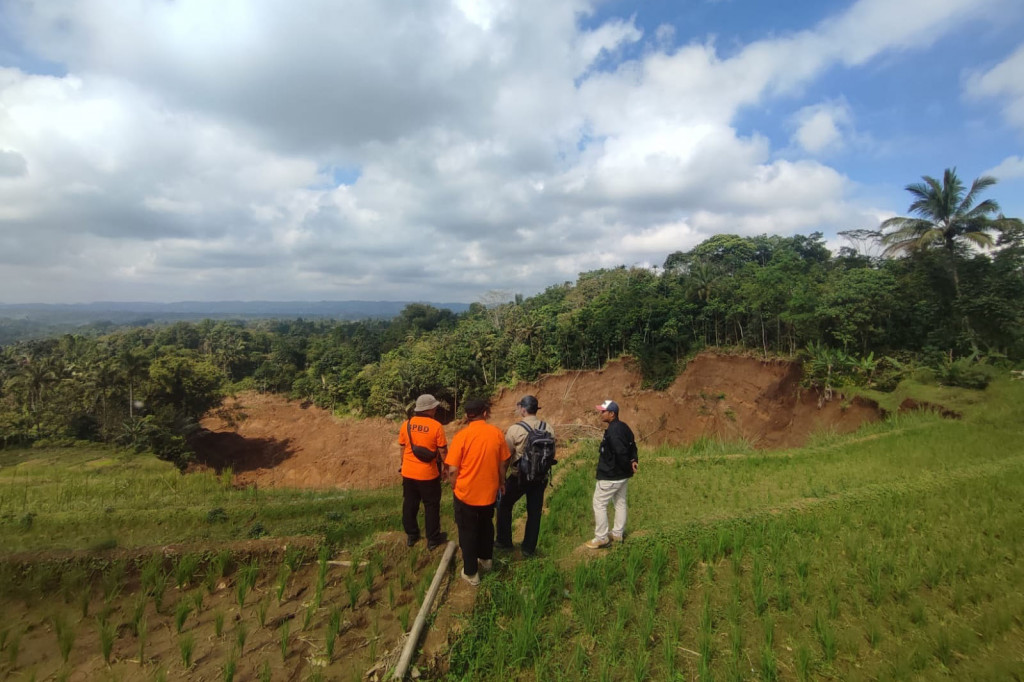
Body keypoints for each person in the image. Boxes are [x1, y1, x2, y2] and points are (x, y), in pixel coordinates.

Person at [445, 399, 510, 586]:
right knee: (486, 526)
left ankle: (471, 573)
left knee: (467, 531)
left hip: (466, 494)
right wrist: (501, 482)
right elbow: (502, 463)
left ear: (467, 416)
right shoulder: (496, 433)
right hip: (489, 493)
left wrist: (454, 485)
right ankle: (486, 559)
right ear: (484, 413)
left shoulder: (461, 437)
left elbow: (452, 470)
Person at [496, 395, 553, 557]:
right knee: (534, 512)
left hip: (519, 477)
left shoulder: (515, 429)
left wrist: (501, 480)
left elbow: (506, 457)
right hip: (540, 477)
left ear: (523, 409)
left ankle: (504, 541)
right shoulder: (547, 427)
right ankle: (529, 548)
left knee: (504, 504)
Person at [397, 394, 449, 550]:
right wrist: (446, 469)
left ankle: (412, 536)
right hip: (428, 475)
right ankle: (433, 540)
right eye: (435, 407)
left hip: (408, 473)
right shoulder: (436, 426)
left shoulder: (406, 424)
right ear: (430, 409)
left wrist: (403, 464)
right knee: (431, 506)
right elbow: (443, 451)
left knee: (410, 504)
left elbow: (402, 448)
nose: (436, 409)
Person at [585, 399, 638, 549]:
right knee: (620, 502)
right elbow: (632, 444)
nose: (600, 413)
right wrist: (633, 460)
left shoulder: (614, 432)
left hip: (611, 476)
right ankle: (617, 534)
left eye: (603, 411)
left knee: (599, 503)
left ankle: (601, 537)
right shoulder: (623, 427)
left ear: (612, 414)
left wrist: (625, 466)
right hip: (622, 476)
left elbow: (621, 452)